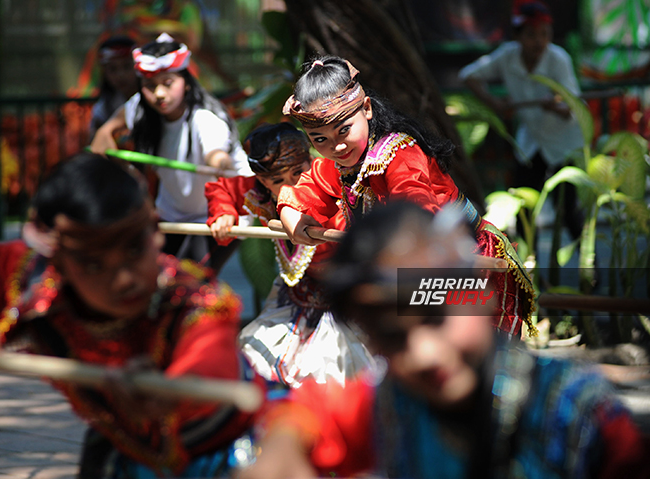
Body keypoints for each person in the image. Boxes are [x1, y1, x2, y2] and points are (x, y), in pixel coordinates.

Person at [241, 201, 649, 479]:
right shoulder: (389, 404)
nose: (424, 353)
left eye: (435, 319)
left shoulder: (586, 417)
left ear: (479, 294)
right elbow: (311, 410)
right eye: (393, 338)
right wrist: (282, 445)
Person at [0, 153, 263, 478]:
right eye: (94, 265)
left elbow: (210, 362)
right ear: (61, 262)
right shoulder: (43, 282)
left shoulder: (197, 303)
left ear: (154, 230)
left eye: (134, 249)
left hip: (230, 459)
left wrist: (171, 392)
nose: (124, 279)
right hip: (126, 451)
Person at [278, 56, 535, 337]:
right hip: (411, 266)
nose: (337, 146)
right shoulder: (342, 163)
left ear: (366, 109)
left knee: (466, 353)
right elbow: (310, 186)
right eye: (320, 139)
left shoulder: (400, 154)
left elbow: (416, 210)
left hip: (461, 260)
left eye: (344, 130)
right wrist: (294, 218)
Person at [205, 123, 376, 388]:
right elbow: (222, 189)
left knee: (337, 372)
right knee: (257, 357)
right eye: (277, 181)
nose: (290, 187)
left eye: (298, 173)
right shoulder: (257, 193)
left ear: (311, 160)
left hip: (347, 292)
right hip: (299, 293)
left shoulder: (333, 183)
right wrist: (224, 213)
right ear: (262, 181)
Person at [90, 32, 252, 270]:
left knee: (191, 280)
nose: (159, 94)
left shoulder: (205, 118)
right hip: (173, 215)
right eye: (149, 86)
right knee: (153, 275)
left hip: (221, 214)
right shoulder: (141, 108)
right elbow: (116, 121)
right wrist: (104, 134)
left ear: (186, 81)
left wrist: (220, 162)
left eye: (167, 84)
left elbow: (215, 153)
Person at [459, 0, 585, 239]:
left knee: (569, 210)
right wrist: (494, 103)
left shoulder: (559, 59)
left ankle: (590, 271)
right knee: (524, 210)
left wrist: (556, 107)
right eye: (531, 34)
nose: (538, 41)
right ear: (518, 36)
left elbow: (572, 108)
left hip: (563, 143)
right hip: (531, 142)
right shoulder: (507, 57)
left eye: (544, 34)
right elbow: (468, 75)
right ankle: (528, 269)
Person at [88, 35, 139, 139]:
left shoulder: (151, 99)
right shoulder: (103, 108)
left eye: (127, 66)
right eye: (112, 69)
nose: (120, 75)